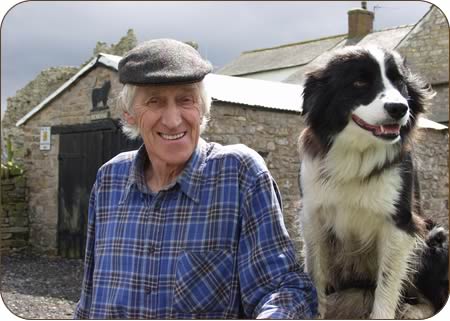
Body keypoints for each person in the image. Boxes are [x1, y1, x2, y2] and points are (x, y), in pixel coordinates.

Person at [74, 38, 317, 319]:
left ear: (202, 107)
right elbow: (89, 297)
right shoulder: (109, 180)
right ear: (130, 115)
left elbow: (281, 288)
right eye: (155, 101)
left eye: (185, 99)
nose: (173, 119)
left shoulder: (239, 175)